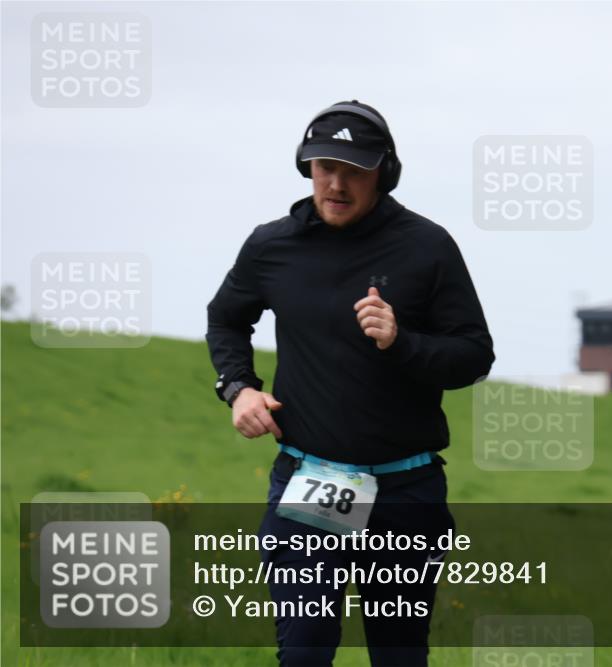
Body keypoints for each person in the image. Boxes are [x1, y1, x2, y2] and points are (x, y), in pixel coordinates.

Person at [206, 100, 495, 666]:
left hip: (405, 491)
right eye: (323, 167)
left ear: (383, 173)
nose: (336, 184)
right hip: (312, 483)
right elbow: (226, 316)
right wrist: (238, 387)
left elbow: (474, 356)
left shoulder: (427, 248)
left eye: (354, 171)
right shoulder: (272, 246)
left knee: (399, 657)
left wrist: (401, 340)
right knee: (305, 655)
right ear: (305, 167)